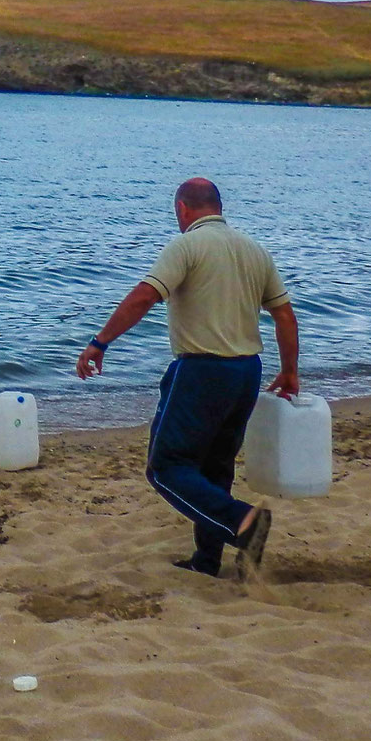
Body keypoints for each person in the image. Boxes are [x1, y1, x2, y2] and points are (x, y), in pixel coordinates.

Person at [75, 177, 300, 581]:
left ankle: (243, 523)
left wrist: (100, 342)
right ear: (218, 206)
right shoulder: (255, 251)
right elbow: (284, 315)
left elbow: (144, 296)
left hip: (202, 370)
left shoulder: (186, 246)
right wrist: (289, 371)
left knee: (166, 467)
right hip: (247, 371)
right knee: (216, 468)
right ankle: (207, 561)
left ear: (182, 209)